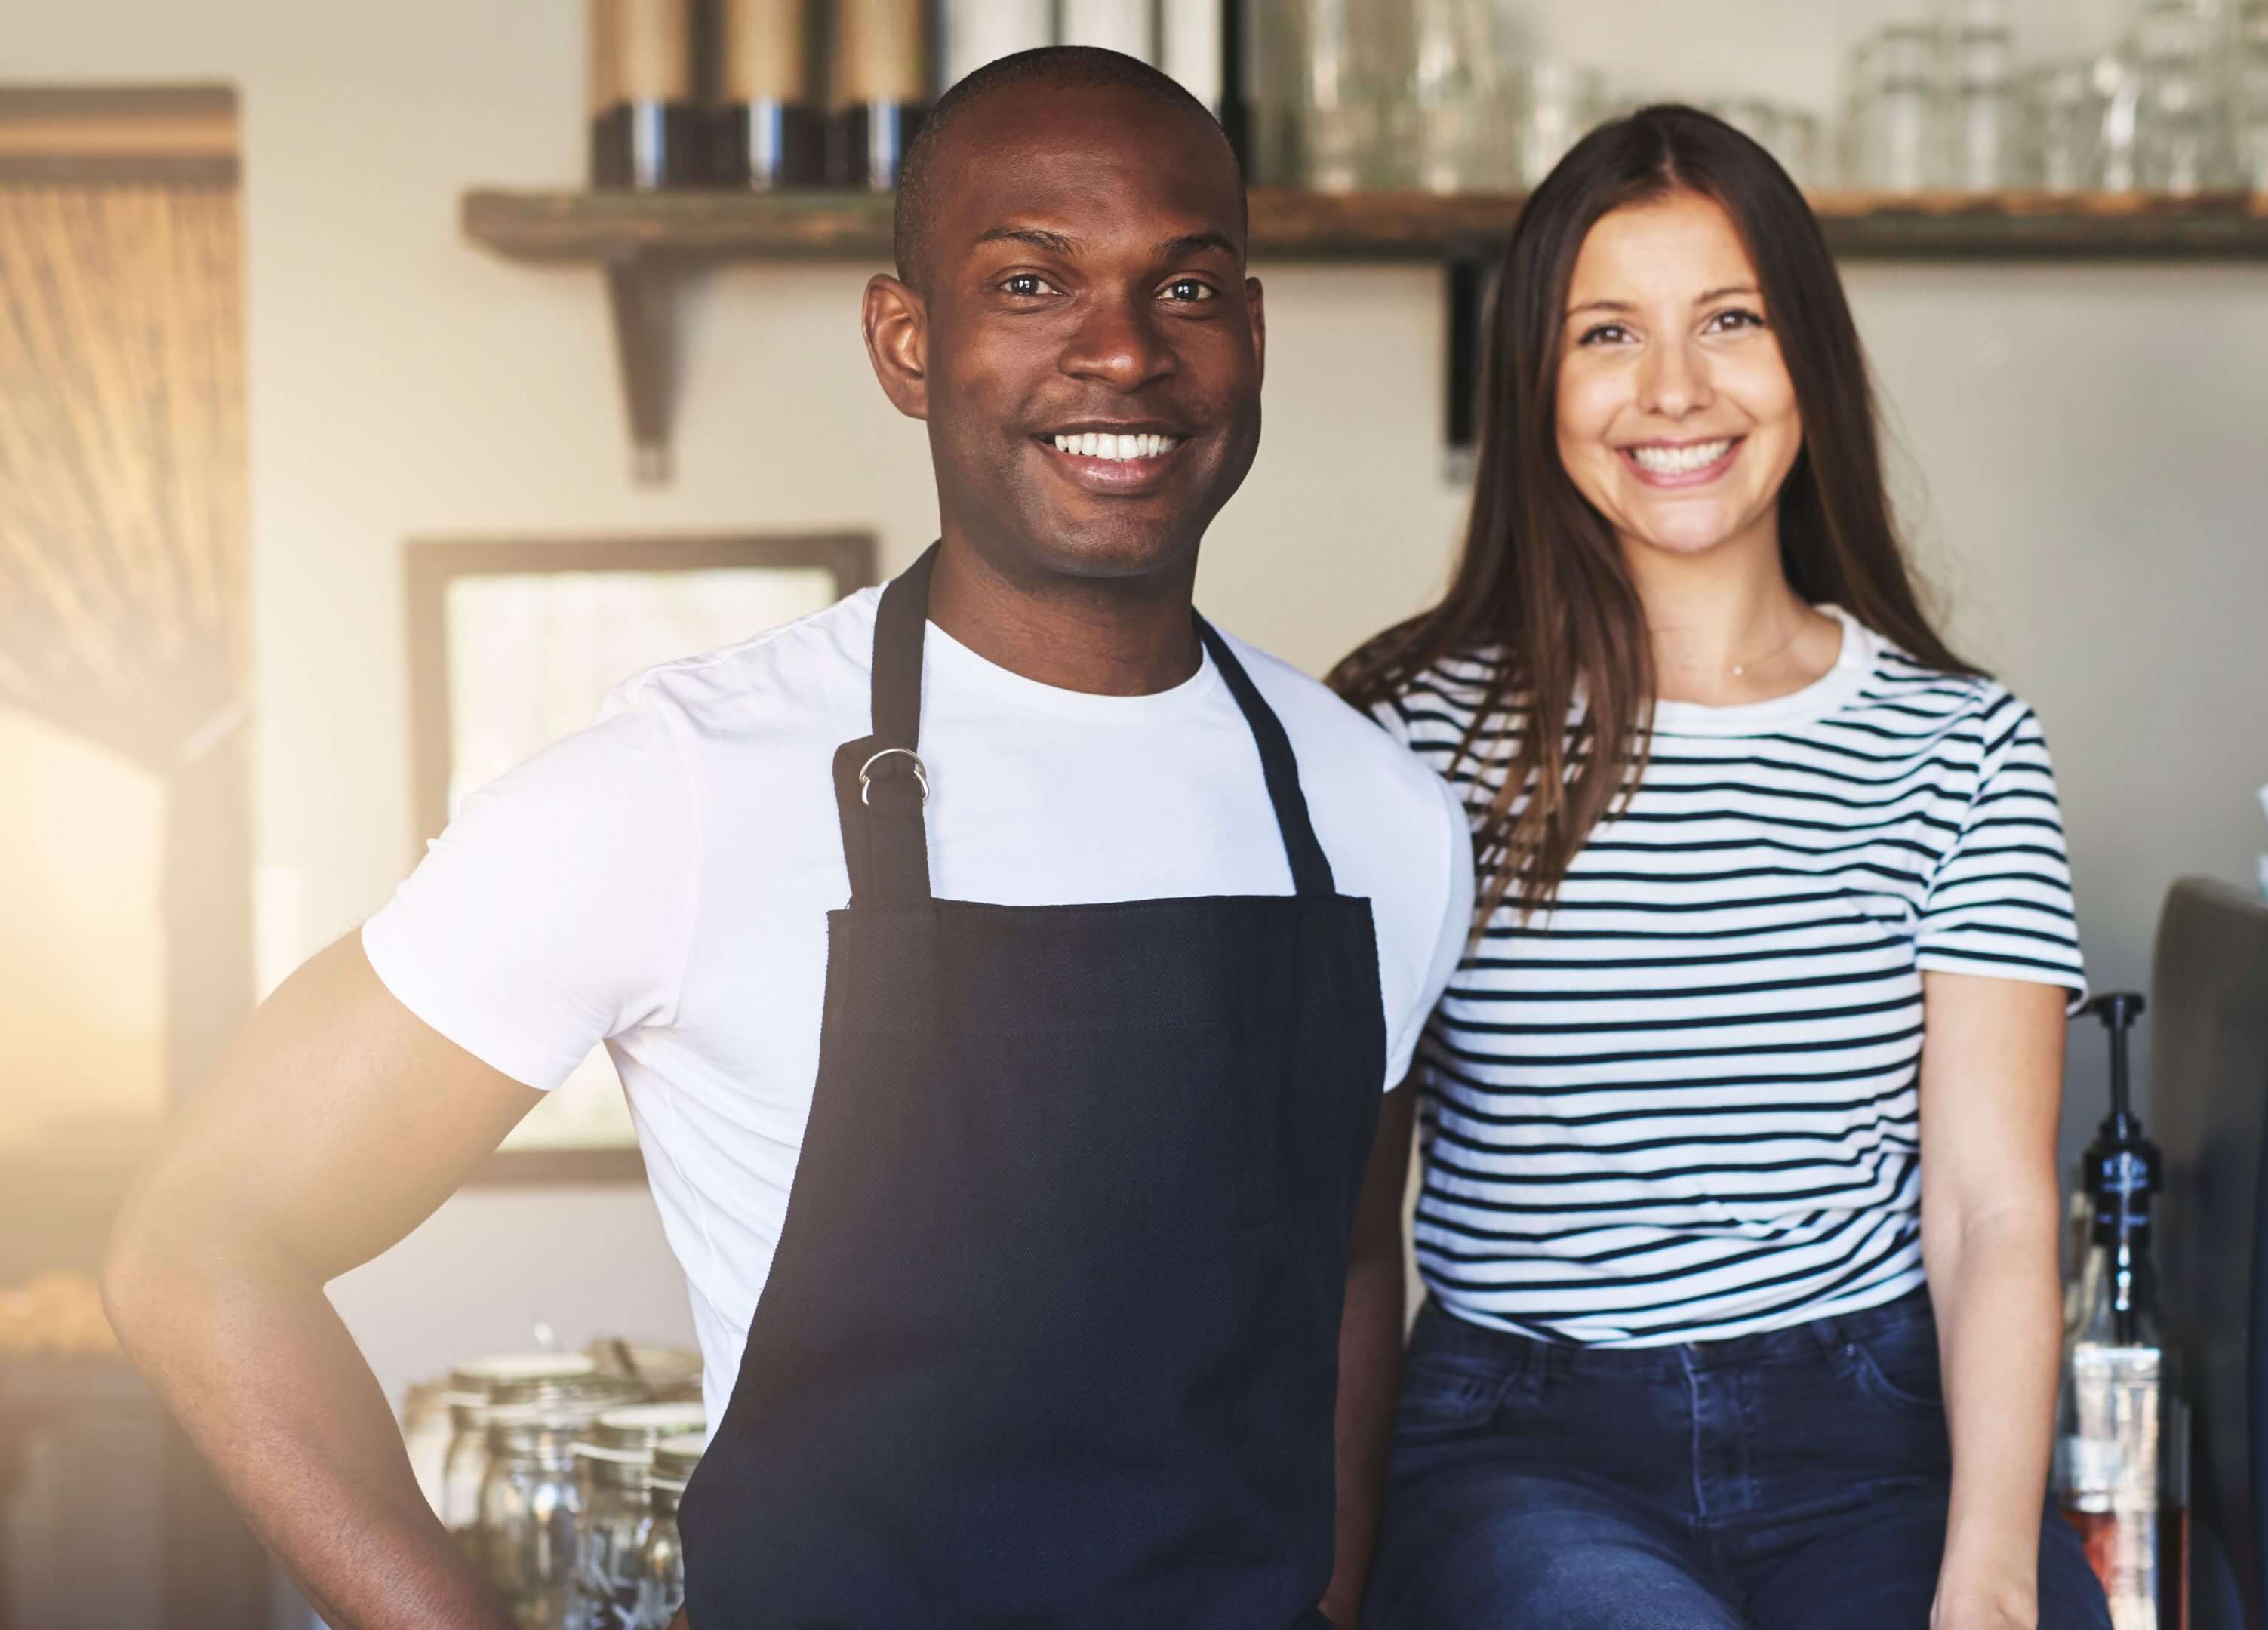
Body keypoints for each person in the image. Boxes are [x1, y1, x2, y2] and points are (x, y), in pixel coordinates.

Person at [103, 48, 1469, 1630]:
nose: (1122, 352)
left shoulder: (1376, 815)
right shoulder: (682, 787)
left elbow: (1355, 1270)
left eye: (1185, 288)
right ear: (907, 341)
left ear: (1248, 334)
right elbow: (200, 1243)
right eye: (1031, 282)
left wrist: (1334, 1597)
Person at [1333, 106, 2112, 1630]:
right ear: (1537, 386)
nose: (1674, 389)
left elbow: (1993, 1211)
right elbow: (1338, 1208)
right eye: (1607, 332)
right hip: (1523, 1451)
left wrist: (1995, 1584)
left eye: (1731, 321)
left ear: (1807, 359)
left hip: (1877, 1432)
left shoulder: (1960, 749)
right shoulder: (1408, 737)